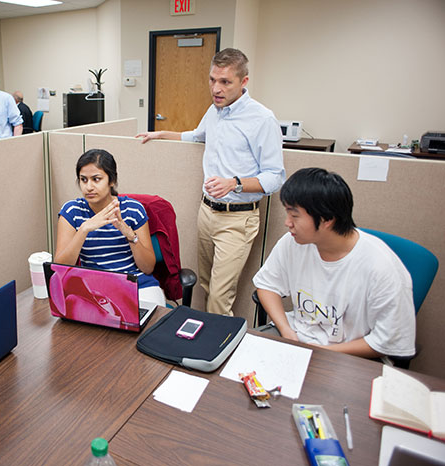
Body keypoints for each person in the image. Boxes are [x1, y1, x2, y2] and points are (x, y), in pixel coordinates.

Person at [136, 48, 285, 316]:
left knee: (219, 297)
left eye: (225, 82)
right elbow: (197, 136)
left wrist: (234, 183)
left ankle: (219, 352)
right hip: (207, 212)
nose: (216, 88)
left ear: (244, 82)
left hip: (237, 220)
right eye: (212, 80)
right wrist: (160, 134)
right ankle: (207, 341)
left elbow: (275, 177)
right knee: (206, 285)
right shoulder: (215, 110)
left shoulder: (262, 119)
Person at [253, 168, 416, 358]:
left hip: (348, 354)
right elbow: (266, 285)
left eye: (294, 215)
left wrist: (320, 353)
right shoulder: (293, 242)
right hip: (298, 338)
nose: (287, 223)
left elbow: (387, 341)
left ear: (327, 219)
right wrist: (286, 330)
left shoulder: (381, 267)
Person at [54, 149, 166, 307]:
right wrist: (84, 229)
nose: (89, 187)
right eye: (83, 180)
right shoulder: (72, 211)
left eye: (96, 179)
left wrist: (130, 235)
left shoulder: (133, 209)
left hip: (137, 285)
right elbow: (60, 267)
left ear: (111, 180)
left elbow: (147, 268)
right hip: (94, 288)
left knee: (147, 326)